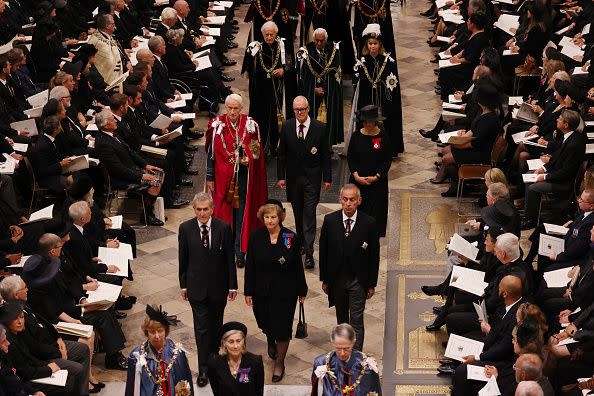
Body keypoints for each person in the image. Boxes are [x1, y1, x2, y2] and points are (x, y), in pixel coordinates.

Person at [178, 192, 237, 387]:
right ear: (194, 210)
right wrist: (183, 285)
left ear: (212, 209)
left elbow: (230, 259)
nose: (202, 213)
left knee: (216, 327)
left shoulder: (223, 228)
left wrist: (232, 285)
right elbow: (183, 259)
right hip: (196, 289)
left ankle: (214, 363)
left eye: (206, 209)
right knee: (201, 329)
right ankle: (203, 368)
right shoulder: (185, 228)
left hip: (218, 289)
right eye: (199, 210)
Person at [244, 203, 308, 382]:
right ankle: (270, 340)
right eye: (267, 217)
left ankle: (279, 362)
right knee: (265, 322)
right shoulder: (256, 236)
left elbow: (297, 266)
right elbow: (251, 266)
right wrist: (248, 291)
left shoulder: (290, 237)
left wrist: (302, 289)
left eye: (273, 217)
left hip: (285, 292)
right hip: (261, 290)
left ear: (280, 217)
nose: (270, 220)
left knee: (282, 327)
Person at [205, 94, 268, 268]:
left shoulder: (250, 126)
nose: (232, 112)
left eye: (235, 108)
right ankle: (225, 250)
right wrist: (210, 177)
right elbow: (210, 155)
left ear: (241, 109)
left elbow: (256, 152)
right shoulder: (217, 125)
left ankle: (240, 251)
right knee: (224, 216)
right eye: (229, 108)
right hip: (222, 179)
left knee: (241, 216)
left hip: (243, 179)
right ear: (225, 108)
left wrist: (249, 158)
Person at [318, 184, 380, 351]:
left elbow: (374, 256)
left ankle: (356, 356)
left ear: (359, 201)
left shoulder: (369, 223)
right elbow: (323, 252)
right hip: (337, 279)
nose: (348, 203)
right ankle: (343, 350)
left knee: (357, 320)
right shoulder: (330, 221)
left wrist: (371, 283)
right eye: (345, 199)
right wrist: (325, 279)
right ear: (340, 200)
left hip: (358, 280)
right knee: (342, 318)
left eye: (352, 200)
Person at [277, 95, 332, 269]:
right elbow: (282, 154)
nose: (300, 112)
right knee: (298, 213)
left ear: (308, 109)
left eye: (302, 109)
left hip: (312, 178)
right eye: (296, 110)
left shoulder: (319, 128)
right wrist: (281, 176)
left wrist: (327, 178)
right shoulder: (286, 127)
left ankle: (309, 253)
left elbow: (325, 155)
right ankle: (300, 242)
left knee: (309, 214)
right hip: (293, 179)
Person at [243, 21, 296, 155]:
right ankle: (261, 146)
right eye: (266, 35)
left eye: (272, 34)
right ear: (262, 34)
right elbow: (248, 69)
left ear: (276, 34)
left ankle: (276, 146)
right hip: (261, 91)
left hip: (277, 91)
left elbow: (290, 63)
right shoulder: (256, 47)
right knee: (261, 117)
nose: (269, 38)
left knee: (276, 118)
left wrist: (283, 70)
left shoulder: (284, 45)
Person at [351, 24, 403, 158]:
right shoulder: (362, 62)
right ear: (366, 45)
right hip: (367, 97)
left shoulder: (387, 60)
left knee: (385, 122)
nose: (372, 46)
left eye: (375, 43)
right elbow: (358, 83)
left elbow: (392, 82)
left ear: (380, 45)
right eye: (370, 44)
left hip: (383, 100)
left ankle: (388, 147)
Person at [125, 305, 194, 396]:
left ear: (166, 330)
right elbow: (132, 389)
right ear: (147, 332)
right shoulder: (137, 356)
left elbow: (185, 387)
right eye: (152, 332)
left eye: (160, 331)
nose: (157, 336)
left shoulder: (177, 355)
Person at [347, 105, 392, 237]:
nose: (368, 125)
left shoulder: (383, 136)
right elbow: (351, 157)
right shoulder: (356, 136)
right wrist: (356, 176)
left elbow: (387, 160)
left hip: (377, 184)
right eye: (365, 122)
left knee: (375, 215)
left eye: (370, 122)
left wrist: (377, 176)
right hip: (358, 182)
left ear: (375, 122)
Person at [296, 28, 343, 146]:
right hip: (312, 93)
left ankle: (328, 144)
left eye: (322, 41)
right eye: (316, 40)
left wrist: (326, 88)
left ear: (326, 39)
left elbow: (336, 74)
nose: (319, 43)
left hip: (329, 93)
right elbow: (303, 77)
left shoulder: (334, 50)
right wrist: (313, 89)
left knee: (328, 120)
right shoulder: (306, 51)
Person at [310, 323, 381, 396]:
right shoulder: (321, 363)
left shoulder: (367, 366)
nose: (342, 353)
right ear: (332, 343)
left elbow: (375, 391)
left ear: (353, 342)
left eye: (346, 348)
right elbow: (316, 392)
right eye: (338, 349)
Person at [207, 321, 265, 396]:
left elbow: (259, 392)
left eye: (238, 341)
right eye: (231, 342)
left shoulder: (255, 362)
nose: (235, 346)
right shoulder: (214, 363)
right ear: (224, 343)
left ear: (243, 342)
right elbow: (216, 391)